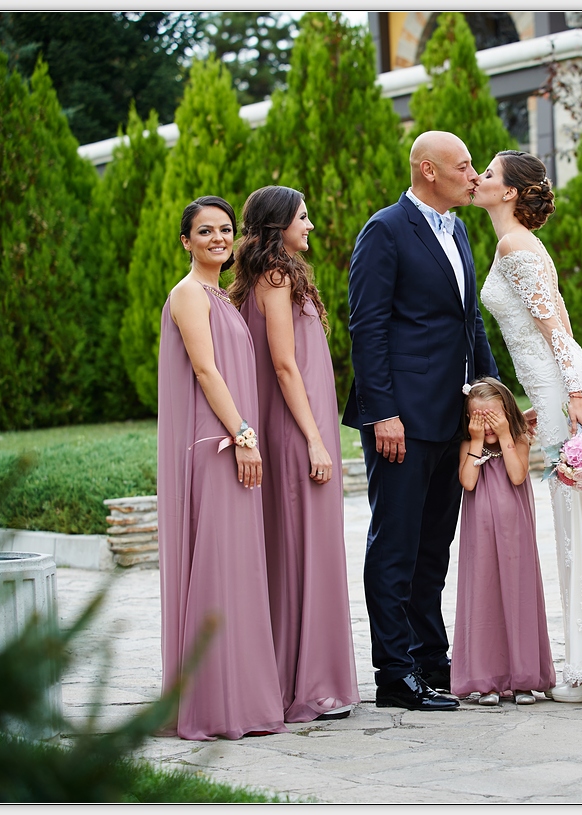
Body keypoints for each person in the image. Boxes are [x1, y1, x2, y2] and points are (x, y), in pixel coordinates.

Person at [474, 150, 582, 706]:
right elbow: (559, 322)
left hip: (566, 393)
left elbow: (555, 329)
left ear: (509, 192)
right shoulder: (514, 243)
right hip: (556, 390)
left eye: (488, 174)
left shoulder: (514, 246)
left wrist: (573, 396)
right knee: (578, 522)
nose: (478, 179)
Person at [343, 131, 500, 712]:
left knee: (434, 547)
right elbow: (367, 326)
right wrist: (382, 411)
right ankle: (394, 674)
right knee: (396, 546)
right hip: (401, 419)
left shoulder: (458, 230)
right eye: (465, 166)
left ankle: (432, 659)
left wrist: (491, 394)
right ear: (428, 170)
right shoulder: (385, 229)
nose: (474, 176)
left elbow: (469, 322)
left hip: (451, 414)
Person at [156, 196, 286, 740]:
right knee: (218, 568)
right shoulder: (188, 293)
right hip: (216, 446)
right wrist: (244, 436)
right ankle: (214, 705)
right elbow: (207, 372)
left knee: (238, 570)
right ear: (185, 241)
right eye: (205, 231)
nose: (218, 238)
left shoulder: (221, 295)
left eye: (225, 229)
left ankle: (241, 699)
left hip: (233, 441)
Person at [231, 186, 360, 723]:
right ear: (277, 224)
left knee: (297, 550)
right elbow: (284, 366)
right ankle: (307, 684)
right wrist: (313, 438)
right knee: (305, 550)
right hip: (294, 431)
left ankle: (296, 676)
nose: (310, 225)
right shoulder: (275, 278)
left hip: (296, 426)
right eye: (302, 217)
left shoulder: (264, 277)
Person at [452, 378, 555, 707]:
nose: (487, 425)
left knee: (518, 593)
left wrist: (507, 434)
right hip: (480, 536)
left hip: (515, 534)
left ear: (508, 413)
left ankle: (523, 679)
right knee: (484, 597)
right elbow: (468, 482)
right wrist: (476, 439)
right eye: (478, 418)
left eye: (493, 417)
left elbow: (517, 475)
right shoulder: (469, 445)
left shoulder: (519, 440)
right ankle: (487, 681)